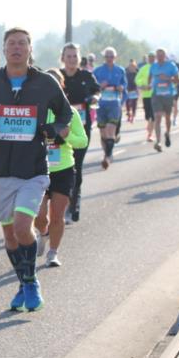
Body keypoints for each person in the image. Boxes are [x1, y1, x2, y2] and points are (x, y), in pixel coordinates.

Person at [0, 27, 73, 312]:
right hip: (0, 170)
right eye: (11, 43)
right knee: (10, 236)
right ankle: (25, 281)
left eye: (22, 43)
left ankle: (31, 280)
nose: (16, 48)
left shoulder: (45, 82)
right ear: (3, 49)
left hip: (34, 170)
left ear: (29, 49)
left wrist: (54, 130)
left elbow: (66, 113)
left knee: (24, 227)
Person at [35, 68, 88, 267]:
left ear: (61, 87)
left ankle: (53, 253)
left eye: (56, 84)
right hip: (38, 169)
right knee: (38, 216)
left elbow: (82, 141)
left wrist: (67, 136)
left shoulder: (70, 112)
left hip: (63, 170)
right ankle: (43, 232)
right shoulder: (36, 111)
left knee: (57, 216)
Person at [59, 43, 100, 224]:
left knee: (77, 167)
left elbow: (97, 91)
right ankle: (61, 206)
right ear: (63, 58)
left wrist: (94, 98)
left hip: (81, 127)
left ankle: (73, 205)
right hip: (61, 128)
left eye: (75, 56)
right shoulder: (56, 77)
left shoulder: (86, 76)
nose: (72, 60)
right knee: (62, 167)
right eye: (68, 56)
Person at [91, 47, 127, 169]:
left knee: (110, 129)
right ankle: (107, 153)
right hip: (101, 104)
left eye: (112, 56)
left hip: (114, 103)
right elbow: (93, 87)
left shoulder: (120, 70)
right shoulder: (97, 71)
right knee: (103, 133)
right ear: (104, 58)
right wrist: (100, 86)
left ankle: (107, 156)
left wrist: (121, 87)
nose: (109, 59)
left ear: (115, 57)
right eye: (107, 56)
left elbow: (124, 84)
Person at [147, 48, 179, 152]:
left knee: (167, 117)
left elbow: (178, 81)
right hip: (156, 95)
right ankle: (158, 142)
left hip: (168, 95)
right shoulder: (154, 66)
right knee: (157, 117)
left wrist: (167, 78)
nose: (160, 57)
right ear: (156, 56)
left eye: (162, 55)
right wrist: (149, 85)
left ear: (165, 56)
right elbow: (150, 77)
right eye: (158, 55)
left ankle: (168, 133)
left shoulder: (171, 66)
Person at [137, 52, 156, 142]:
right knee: (148, 115)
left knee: (153, 115)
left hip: (156, 95)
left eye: (153, 57)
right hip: (146, 95)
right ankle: (149, 125)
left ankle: (150, 134)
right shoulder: (144, 68)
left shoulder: (158, 68)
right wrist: (142, 85)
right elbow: (137, 79)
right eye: (150, 57)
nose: (151, 59)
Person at [125, 58, 139, 123]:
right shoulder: (126, 71)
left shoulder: (137, 72)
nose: (132, 67)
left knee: (134, 103)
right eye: (130, 66)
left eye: (133, 66)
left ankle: (133, 115)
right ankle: (128, 113)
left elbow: (139, 81)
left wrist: (138, 89)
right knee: (127, 102)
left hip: (135, 89)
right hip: (128, 88)